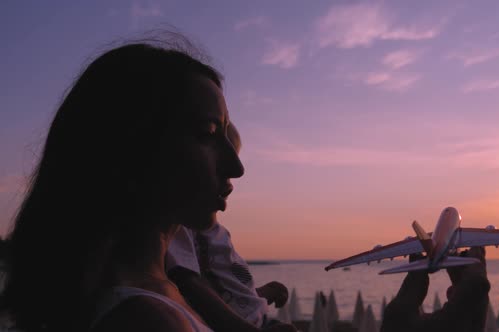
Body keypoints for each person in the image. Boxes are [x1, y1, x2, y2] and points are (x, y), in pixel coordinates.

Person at [1, 36, 248, 332]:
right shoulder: (147, 320)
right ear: (131, 146)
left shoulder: (154, 290)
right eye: (207, 133)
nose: (236, 166)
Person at [166, 123, 295, 332]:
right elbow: (192, 288)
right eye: (217, 159)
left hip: (259, 320)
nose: (236, 170)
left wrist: (260, 294)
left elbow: (227, 292)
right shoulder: (182, 228)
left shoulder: (218, 233)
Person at [381, 247, 490, 332]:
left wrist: (415, 276)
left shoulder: (394, 322)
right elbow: (453, 322)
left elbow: (397, 319)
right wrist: (476, 263)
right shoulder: (455, 324)